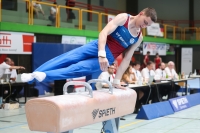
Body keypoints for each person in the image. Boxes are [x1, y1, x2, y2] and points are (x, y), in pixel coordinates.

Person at [21, 8, 157, 90]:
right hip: (97, 47)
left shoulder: (138, 37)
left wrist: (116, 81)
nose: (144, 26)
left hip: (108, 58)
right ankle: (33, 75)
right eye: (145, 22)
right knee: (68, 58)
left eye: (148, 25)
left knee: (77, 69)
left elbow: (127, 59)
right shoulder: (123, 18)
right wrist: (101, 54)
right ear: (141, 13)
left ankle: (44, 75)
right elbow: (103, 33)